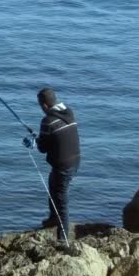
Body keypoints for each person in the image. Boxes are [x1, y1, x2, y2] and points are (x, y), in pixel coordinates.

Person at [24, 87, 80, 241]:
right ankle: (52, 219)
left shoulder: (47, 121)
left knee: (61, 200)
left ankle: (63, 239)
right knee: (53, 186)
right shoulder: (68, 112)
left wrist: (35, 142)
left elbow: (42, 148)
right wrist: (41, 137)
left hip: (63, 166)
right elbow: (56, 137)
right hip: (75, 161)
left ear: (44, 106)